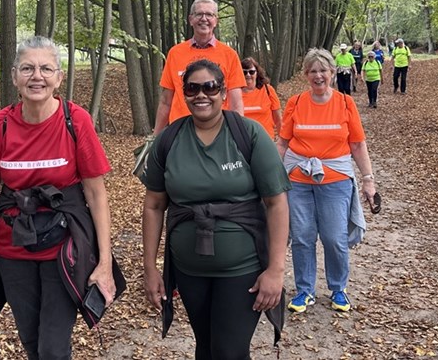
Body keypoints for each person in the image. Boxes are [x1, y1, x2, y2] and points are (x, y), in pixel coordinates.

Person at [0, 36, 117, 360]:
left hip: (64, 250)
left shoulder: (76, 121)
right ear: (14, 76)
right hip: (12, 249)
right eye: (27, 68)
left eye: (46, 68)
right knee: (31, 342)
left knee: (53, 349)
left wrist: (105, 263)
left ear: (59, 77)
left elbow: (96, 195)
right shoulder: (1, 125)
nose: (36, 76)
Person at [142, 59, 291, 359]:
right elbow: (154, 205)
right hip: (189, 270)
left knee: (229, 351)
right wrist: (149, 269)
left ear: (223, 92)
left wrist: (275, 269)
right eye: (193, 88)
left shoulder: (247, 135)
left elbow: (276, 203)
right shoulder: (169, 140)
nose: (201, 94)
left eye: (210, 87)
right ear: (184, 94)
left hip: (243, 268)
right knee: (206, 347)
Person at [277, 48, 376, 314]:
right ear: (306, 75)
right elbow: (283, 143)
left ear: (333, 72)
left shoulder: (345, 103)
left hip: (336, 180)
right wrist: (271, 177)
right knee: (302, 236)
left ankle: (338, 287)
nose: (318, 76)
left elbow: (357, 144)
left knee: (334, 237)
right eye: (313, 71)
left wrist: (368, 179)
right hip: (298, 179)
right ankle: (305, 290)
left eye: (323, 70)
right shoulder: (296, 103)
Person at [153, 0, 246, 134]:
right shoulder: (175, 53)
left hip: (218, 131)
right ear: (191, 19)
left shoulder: (229, 55)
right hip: (181, 131)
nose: (204, 18)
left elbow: (236, 103)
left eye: (209, 14)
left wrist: (238, 136)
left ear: (216, 21)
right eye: (199, 14)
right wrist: (155, 137)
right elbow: (166, 101)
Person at [241, 57, 282, 140]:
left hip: (265, 140)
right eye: (244, 72)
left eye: (251, 72)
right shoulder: (233, 93)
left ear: (257, 73)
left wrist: (282, 142)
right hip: (242, 142)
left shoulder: (268, 90)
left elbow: (278, 120)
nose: (248, 75)